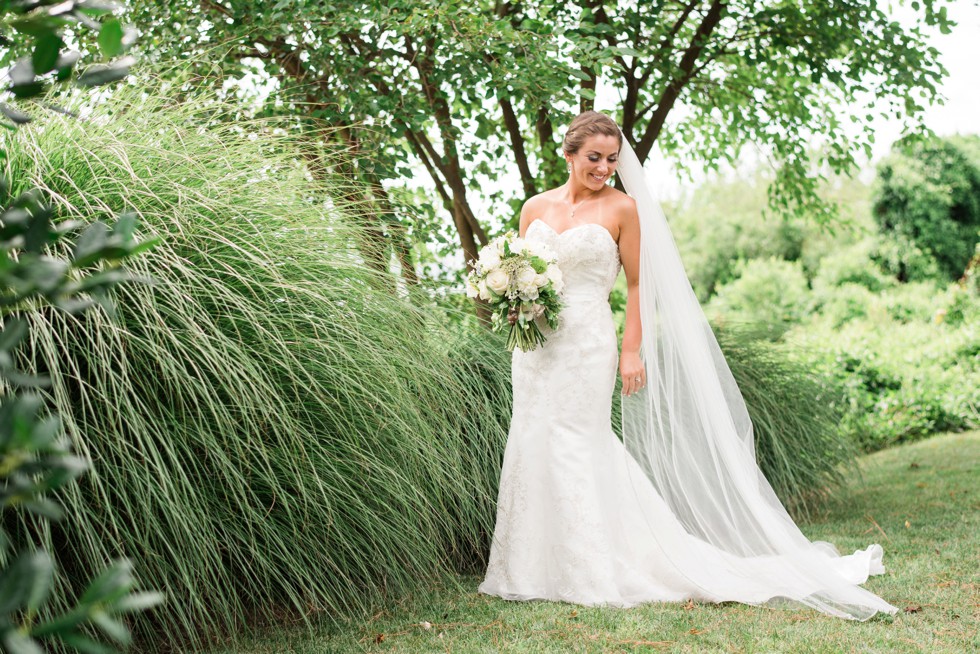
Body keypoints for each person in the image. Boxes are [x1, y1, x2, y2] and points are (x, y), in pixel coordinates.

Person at [477, 111, 899, 620]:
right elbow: (521, 268)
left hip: (588, 344)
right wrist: (513, 300)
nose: (604, 168)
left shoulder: (624, 209)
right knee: (532, 435)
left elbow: (637, 285)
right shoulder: (535, 208)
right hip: (536, 347)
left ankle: (590, 567)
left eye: (612, 159)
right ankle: (526, 568)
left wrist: (632, 350)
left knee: (576, 441)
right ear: (568, 154)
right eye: (594, 158)